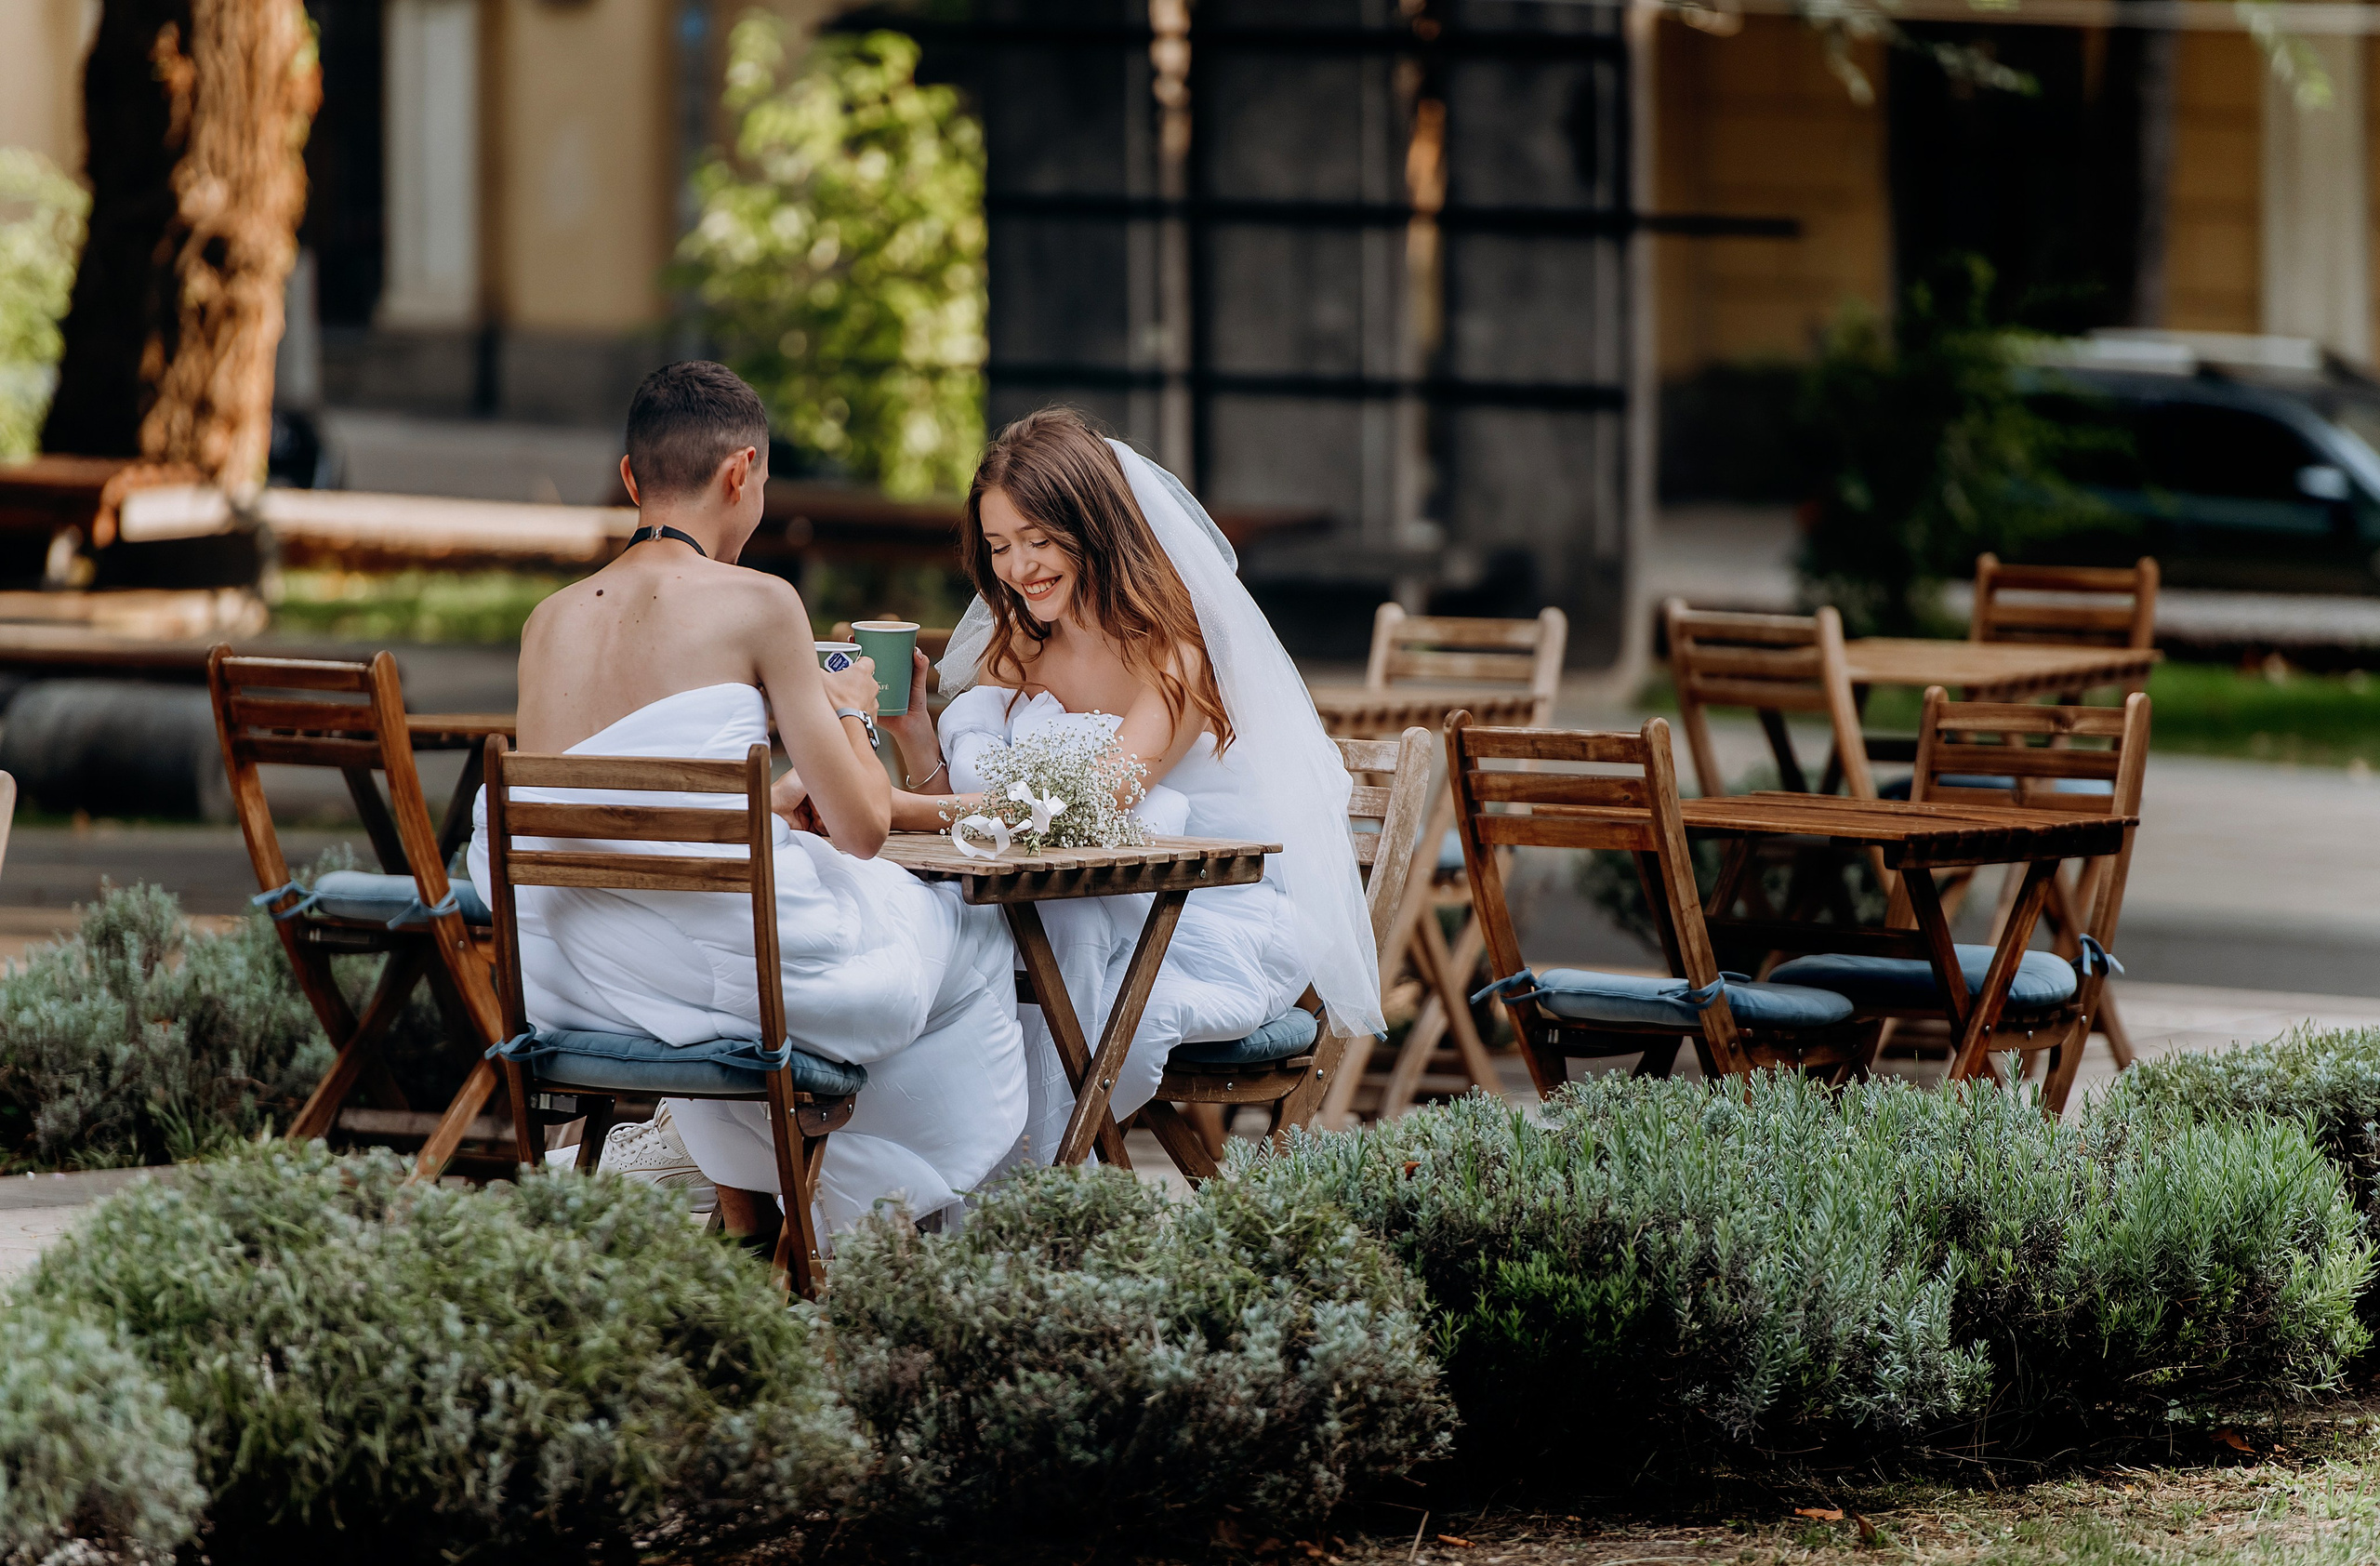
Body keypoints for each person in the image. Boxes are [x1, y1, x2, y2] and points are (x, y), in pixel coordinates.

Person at [467, 361, 1026, 1239]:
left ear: (629, 479)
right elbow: (866, 827)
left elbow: (612, 820)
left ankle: (759, 1220)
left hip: (575, 980)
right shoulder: (764, 603)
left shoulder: (549, 621)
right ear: (742, 472)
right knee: (972, 931)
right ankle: (885, 1210)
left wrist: (763, 806)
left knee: (782, 940)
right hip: (744, 984)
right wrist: (847, 715)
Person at [851, 407, 1384, 1165]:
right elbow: (980, 816)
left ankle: (1024, 1187)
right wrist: (913, 736)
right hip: (1058, 911)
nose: (1019, 567)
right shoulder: (1021, 644)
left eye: (1040, 541)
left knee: (1044, 983)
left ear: (1096, 528)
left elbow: (1084, 809)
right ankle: (932, 1180)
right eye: (1000, 546)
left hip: (1200, 920)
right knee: (936, 959)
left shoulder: (1179, 657)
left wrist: (898, 809)